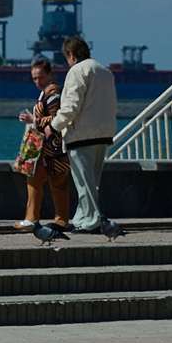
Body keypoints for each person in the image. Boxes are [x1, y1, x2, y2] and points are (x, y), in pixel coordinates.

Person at [56, 36, 120, 234]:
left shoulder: (77, 71)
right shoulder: (105, 71)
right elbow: (113, 103)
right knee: (93, 182)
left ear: (71, 55)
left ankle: (91, 221)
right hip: (103, 133)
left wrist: (54, 125)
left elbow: (71, 106)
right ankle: (81, 217)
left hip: (81, 134)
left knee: (83, 182)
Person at [15, 58, 72, 230]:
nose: (37, 82)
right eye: (34, 78)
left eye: (40, 77)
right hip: (48, 148)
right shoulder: (47, 92)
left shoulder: (52, 92)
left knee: (40, 181)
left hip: (48, 148)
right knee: (54, 183)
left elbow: (57, 119)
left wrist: (34, 119)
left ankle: (34, 219)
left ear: (50, 74)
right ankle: (59, 220)